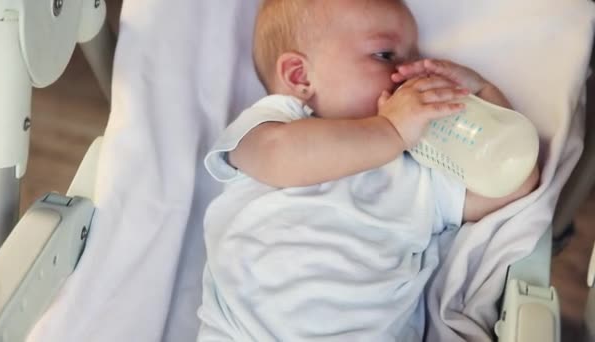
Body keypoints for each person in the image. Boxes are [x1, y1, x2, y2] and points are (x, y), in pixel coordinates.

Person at [197, 0, 540, 340]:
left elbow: (514, 183)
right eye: (385, 55)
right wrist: (391, 129)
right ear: (300, 77)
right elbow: (278, 154)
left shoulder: (416, 173)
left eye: (413, 59)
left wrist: (479, 92)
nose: (406, 74)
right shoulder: (274, 127)